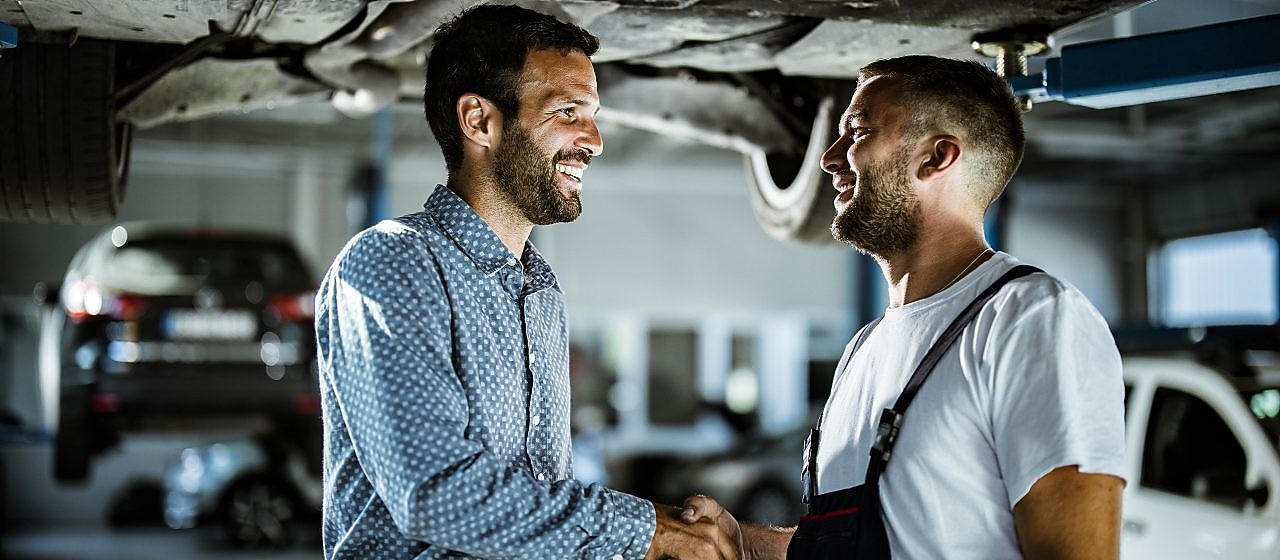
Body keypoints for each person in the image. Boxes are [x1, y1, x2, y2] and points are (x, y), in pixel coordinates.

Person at [314, 5, 740, 559]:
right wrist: (647, 532)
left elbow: (536, 509)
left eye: (592, 114)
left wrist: (673, 531)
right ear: (479, 121)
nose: (594, 140)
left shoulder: (540, 291)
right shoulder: (395, 261)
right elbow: (435, 494)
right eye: (567, 111)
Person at [683, 55, 1127, 559]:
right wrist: (739, 544)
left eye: (856, 132)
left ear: (936, 157)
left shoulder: (1031, 319)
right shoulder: (864, 348)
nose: (828, 158)